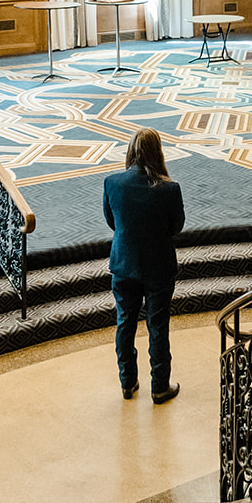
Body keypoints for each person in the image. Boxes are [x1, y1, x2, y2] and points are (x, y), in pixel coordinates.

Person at [104, 127, 185, 404]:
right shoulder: (170, 188)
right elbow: (177, 227)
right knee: (158, 326)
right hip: (158, 266)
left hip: (124, 264)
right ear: (158, 152)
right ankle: (160, 387)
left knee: (125, 323)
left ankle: (127, 382)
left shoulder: (112, 183)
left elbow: (112, 221)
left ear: (131, 150)